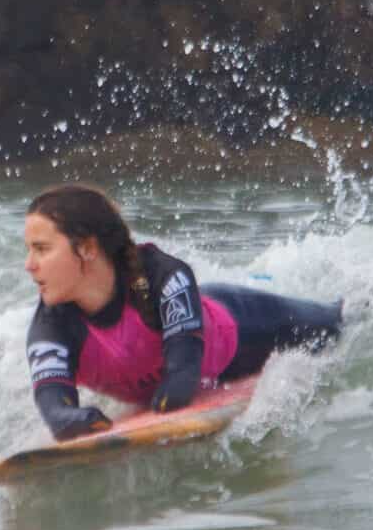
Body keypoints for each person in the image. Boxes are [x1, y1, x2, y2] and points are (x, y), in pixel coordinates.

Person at [22, 183, 344, 440]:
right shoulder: (52, 324)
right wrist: (70, 419)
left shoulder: (161, 275)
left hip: (251, 327)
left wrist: (176, 392)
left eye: (42, 249)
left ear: (88, 249)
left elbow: (182, 374)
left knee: (339, 323)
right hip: (199, 375)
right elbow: (55, 407)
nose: (29, 264)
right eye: (29, 250)